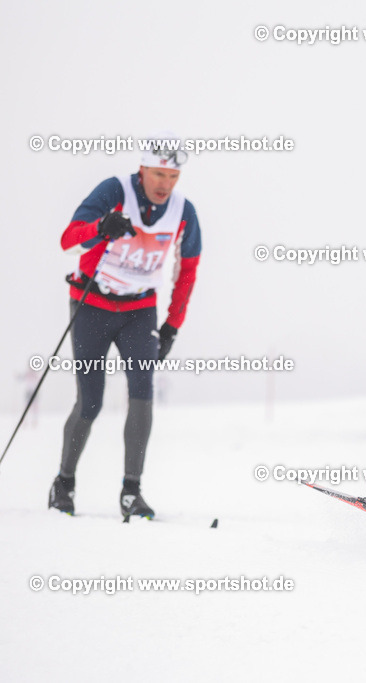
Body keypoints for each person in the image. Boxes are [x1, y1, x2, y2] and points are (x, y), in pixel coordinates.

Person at [48, 133, 202, 519]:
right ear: (142, 169)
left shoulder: (184, 211)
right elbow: (69, 239)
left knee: (142, 393)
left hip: (139, 311)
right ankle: (63, 482)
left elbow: (188, 271)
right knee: (92, 399)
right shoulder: (114, 191)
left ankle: (131, 492)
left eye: (172, 176)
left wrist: (172, 326)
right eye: (158, 174)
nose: (165, 184)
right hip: (92, 305)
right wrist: (102, 226)